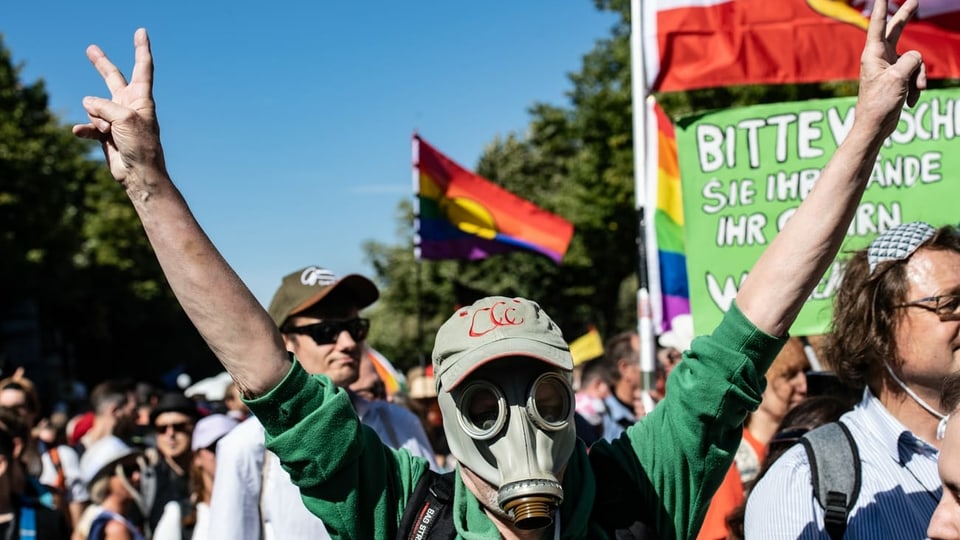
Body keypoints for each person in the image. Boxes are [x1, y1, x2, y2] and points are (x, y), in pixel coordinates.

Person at [72, 0, 924, 535]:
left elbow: (754, 321)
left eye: (545, 395)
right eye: (485, 402)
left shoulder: (636, 494)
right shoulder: (403, 513)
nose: (523, 428)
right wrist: (148, 184)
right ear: (443, 417)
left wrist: (865, 133)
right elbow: (264, 366)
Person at [206, 266, 437, 540]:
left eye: (356, 328)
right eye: (326, 331)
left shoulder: (401, 423)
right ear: (283, 342)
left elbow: (436, 521)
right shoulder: (245, 447)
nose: (349, 343)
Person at [696, 337, 810, 539]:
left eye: (804, 372)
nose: (803, 386)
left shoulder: (804, 446)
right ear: (761, 384)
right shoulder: (730, 456)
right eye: (789, 375)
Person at [78, 436, 145, 540]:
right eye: (128, 471)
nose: (137, 476)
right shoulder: (116, 529)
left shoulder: (94, 517)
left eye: (137, 468)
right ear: (105, 479)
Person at [185, 414, 237, 540]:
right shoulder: (179, 514)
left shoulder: (258, 507)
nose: (223, 452)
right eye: (215, 447)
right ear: (197, 457)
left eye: (231, 447)